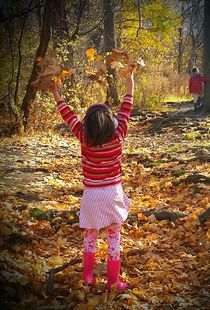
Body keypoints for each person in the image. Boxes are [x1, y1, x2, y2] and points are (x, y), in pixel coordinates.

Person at [50, 66, 136, 291]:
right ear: (112, 123)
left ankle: (88, 276)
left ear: (87, 124)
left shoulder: (83, 137)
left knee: (90, 236)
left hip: (91, 195)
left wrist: (55, 92)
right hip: (112, 194)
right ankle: (113, 281)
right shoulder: (119, 136)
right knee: (114, 238)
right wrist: (130, 79)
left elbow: (67, 114)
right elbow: (127, 104)